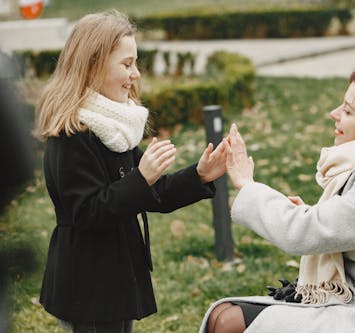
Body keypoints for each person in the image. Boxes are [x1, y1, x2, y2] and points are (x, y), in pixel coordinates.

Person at [200, 64, 355, 333]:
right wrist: (306, 212)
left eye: (348, 110)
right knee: (222, 314)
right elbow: (345, 223)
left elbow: (303, 232)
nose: (334, 114)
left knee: (227, 322)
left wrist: (245, 183)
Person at [34, 10, 226, 333]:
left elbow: (154, 192)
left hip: (117, 278)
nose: (136, 74)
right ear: (93, 65)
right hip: (87, 285)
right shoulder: (72, 134)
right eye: (126, 64)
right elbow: (87, 213)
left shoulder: (114, 127)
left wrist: (200, 175)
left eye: (135, 63)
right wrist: (141, 179)